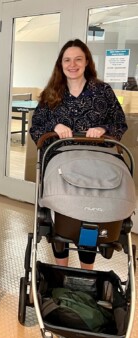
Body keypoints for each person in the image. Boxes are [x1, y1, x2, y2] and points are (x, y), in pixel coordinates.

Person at [29, 38, 128, 270]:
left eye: (78, 59)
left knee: (88, 220)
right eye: (67, 60)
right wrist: (54, 128)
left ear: (86, 62)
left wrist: (103, 129)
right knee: (62, 218)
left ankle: (87, 276)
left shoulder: (102, 91)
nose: (72, 64)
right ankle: (61, 271)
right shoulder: (51, 94)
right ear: (60, 64)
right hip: (61, 166)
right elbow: (36, 129)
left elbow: (119, 123)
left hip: (96, 167)